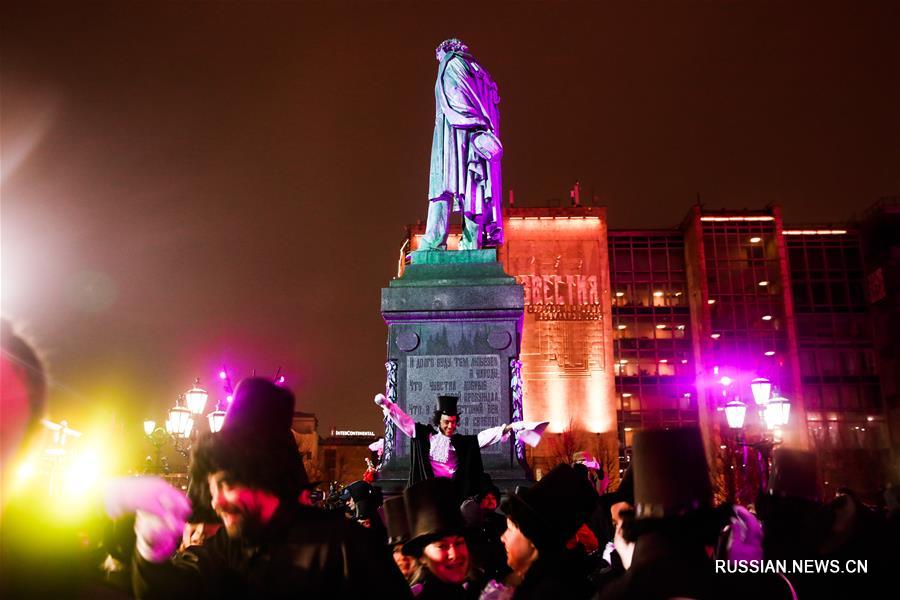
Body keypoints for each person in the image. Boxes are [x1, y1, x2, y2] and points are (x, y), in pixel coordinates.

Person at [104, 377, 411, 599]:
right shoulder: (223, 549)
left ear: (263, 477)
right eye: (212, 488)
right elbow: (174, 590)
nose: (216, 502)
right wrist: (150, 550)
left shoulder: (346, 545)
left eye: (226, 485)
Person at [376, 393, 546, 500]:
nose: (451, 426)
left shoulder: (462, 443)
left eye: (454, 422)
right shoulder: (425, 436)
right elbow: (405, 422)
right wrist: (388, 406)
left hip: (454, 494)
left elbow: (484, 437)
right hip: (428, 495)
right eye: (447, 422)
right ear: (438, 422)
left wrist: (511, 427)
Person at [421, 38, 503, 251]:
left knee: (441, 186)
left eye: (438, 56)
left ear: (445, 50)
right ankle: (471, 242)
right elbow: (491, 106)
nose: (438, 60)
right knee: (472, 185)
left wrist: (470, 119)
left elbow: (456, 93)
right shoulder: (479, 71)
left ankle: (433, 240)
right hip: (476, 136)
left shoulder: (451, 63)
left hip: (454, 134)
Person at [494, 464, 598, 599]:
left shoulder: (549, 592)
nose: (503, 537)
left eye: (510, 529)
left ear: (532, 535)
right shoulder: (528, 584)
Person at [404, 478, 476, 599]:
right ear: (422, 557)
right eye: (442, 546)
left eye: (458, 543)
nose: (454, 554)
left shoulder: (475, 591)